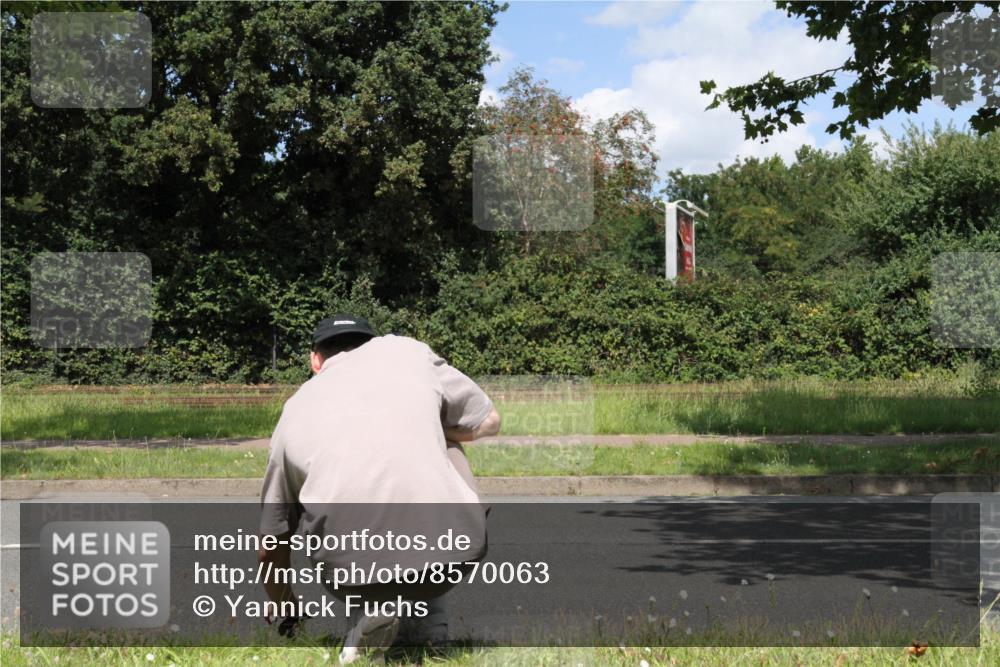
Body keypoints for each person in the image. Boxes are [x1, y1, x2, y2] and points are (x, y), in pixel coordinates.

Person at [257, 314, 500, 664]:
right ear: (371, 343)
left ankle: (368, 622)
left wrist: (286, 607)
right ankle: (429, 634)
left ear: (315, 360)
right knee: (444, 446)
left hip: (351, 567)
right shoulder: (407, 352)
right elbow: (488, 421)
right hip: (451, 550)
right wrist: (430, 428)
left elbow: (272, 541)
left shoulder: (293, 412)